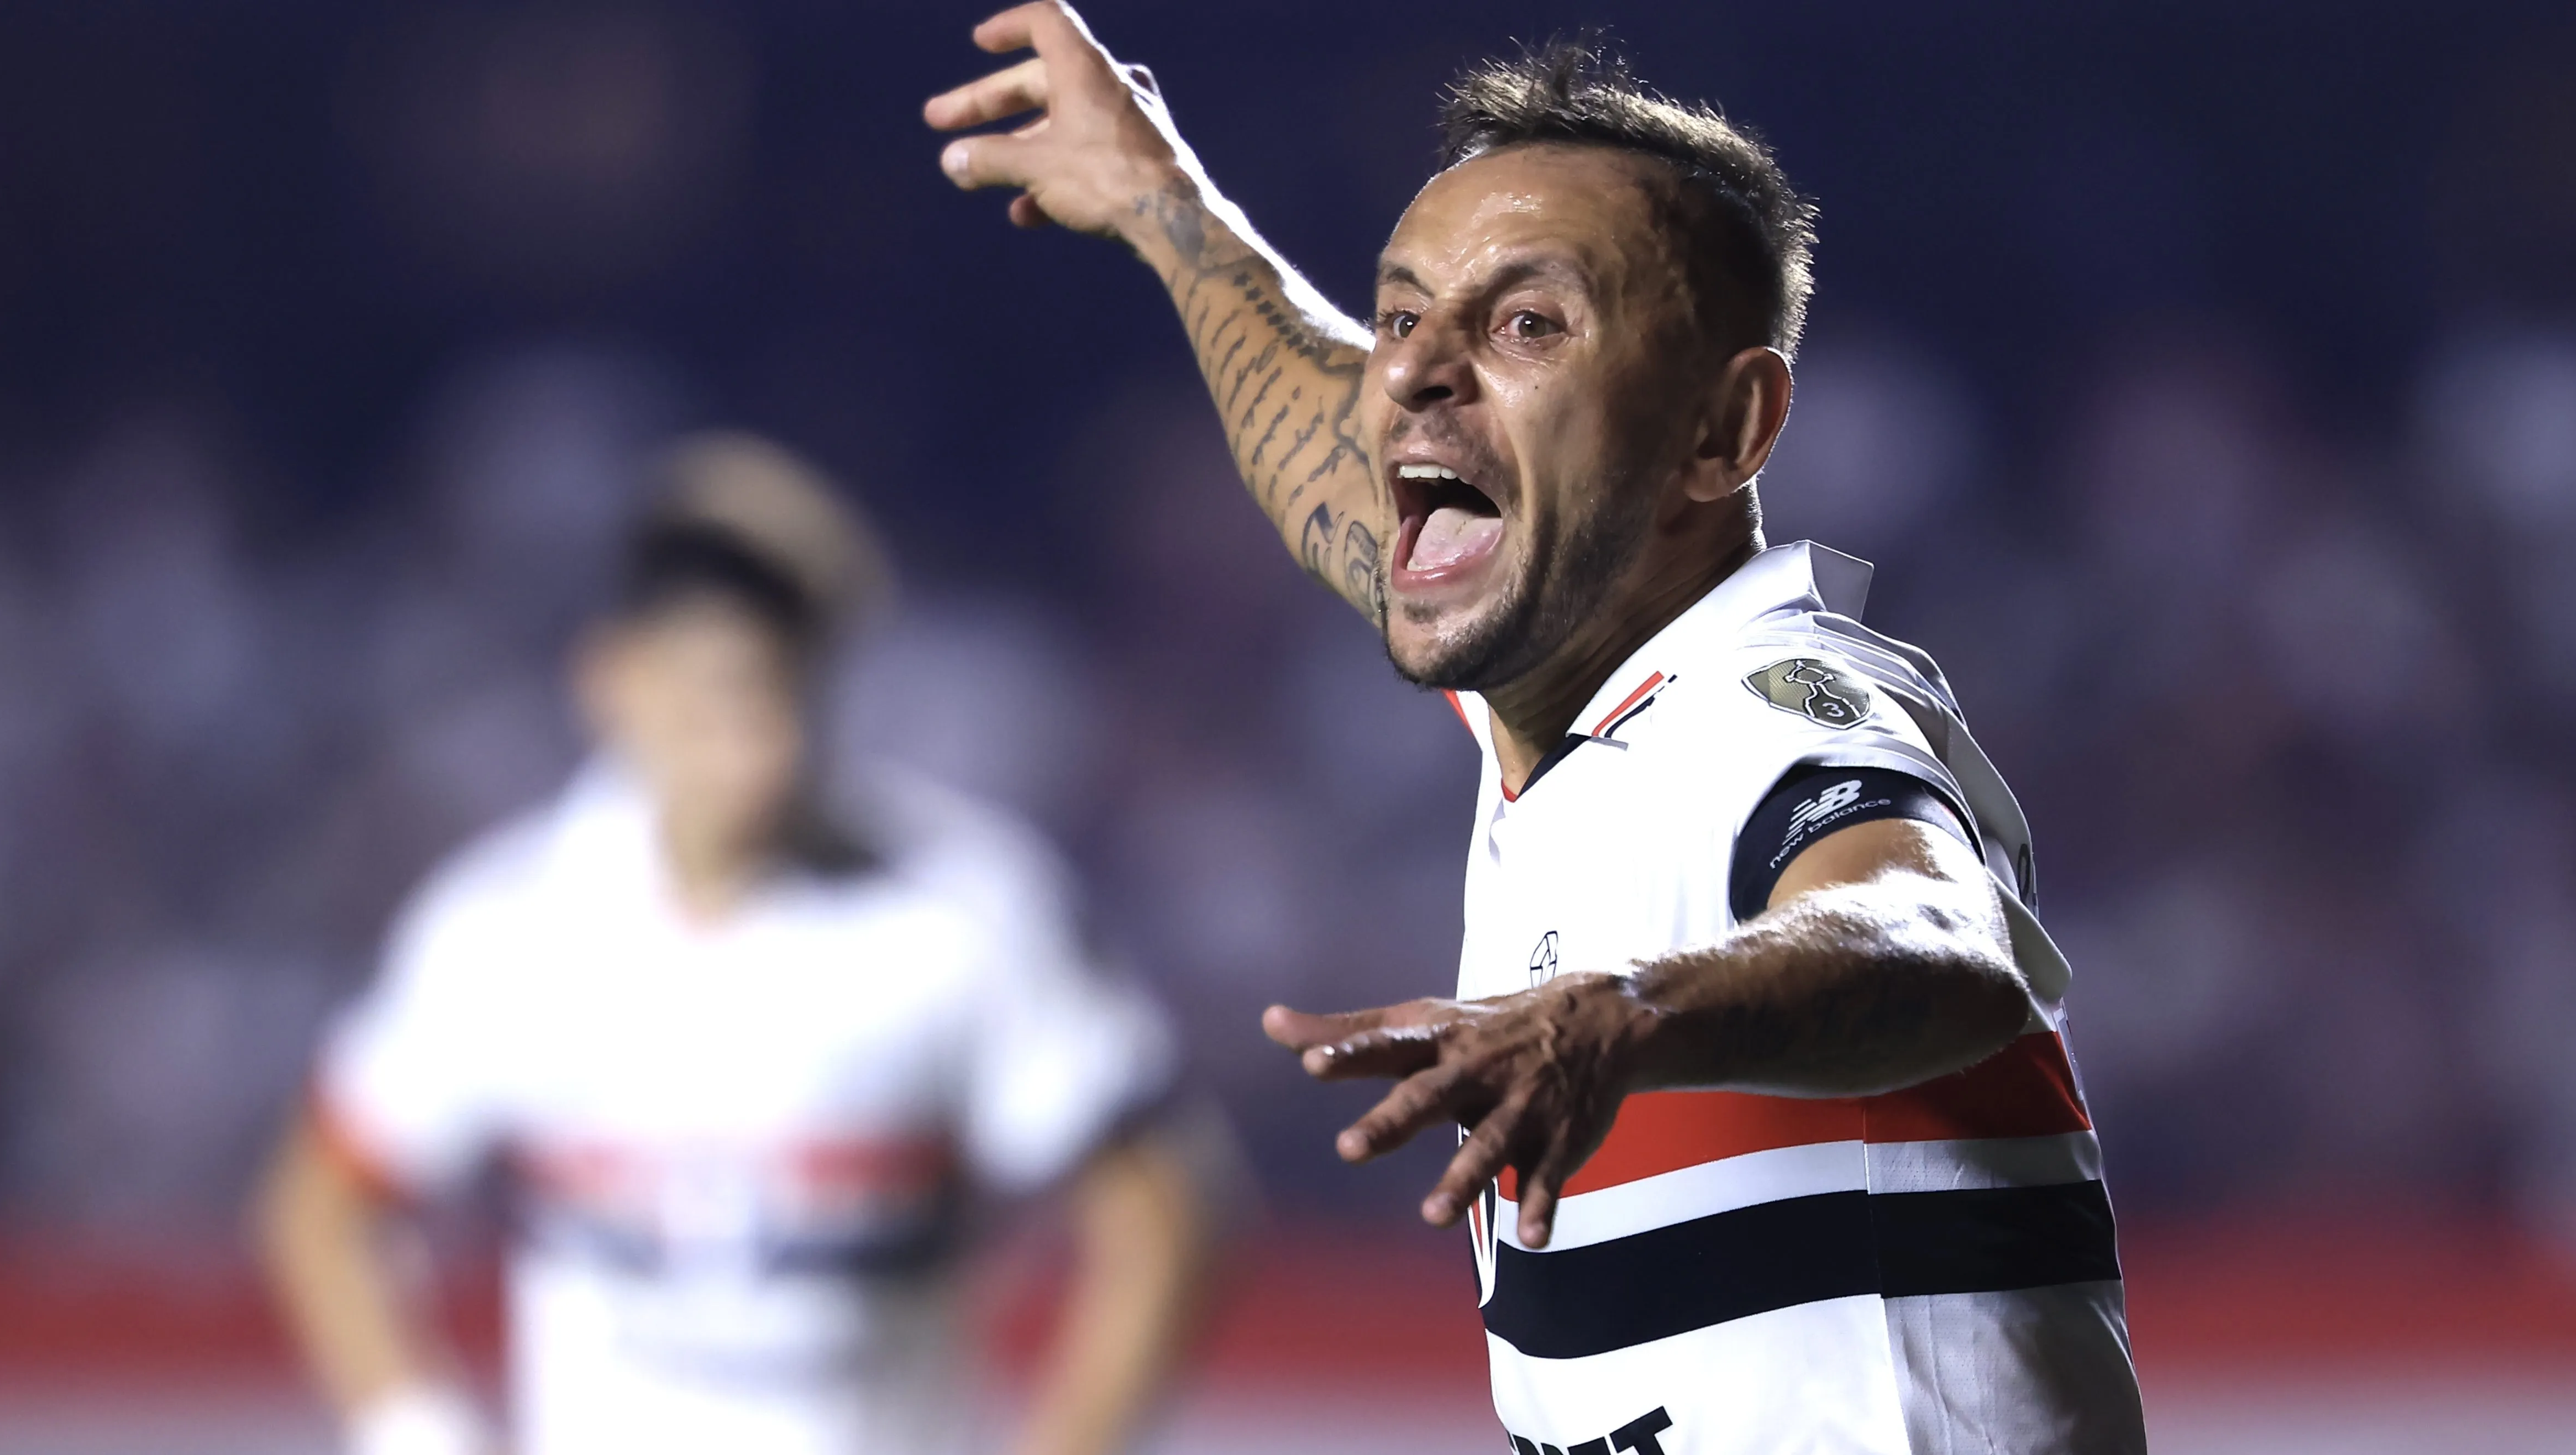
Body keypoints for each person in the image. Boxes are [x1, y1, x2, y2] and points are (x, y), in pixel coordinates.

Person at [925, 7, 2147, 1453]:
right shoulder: (1563, 685)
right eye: (1401, 316)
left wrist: (1626, 1011)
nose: (1412, 373)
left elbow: (1945, 939)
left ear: (1723, 429)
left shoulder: (1771, 704)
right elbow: (1334, 437)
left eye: (1527, 323)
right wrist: (1163, 207)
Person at [256, 433, 1215, 1455]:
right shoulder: (508, 929)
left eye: (785, 693)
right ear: (612, 679)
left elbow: (1160, 1215)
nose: (759, 746)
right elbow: (321, 1206)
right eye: (717, 694)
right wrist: (420, 1432)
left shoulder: (958, 910)